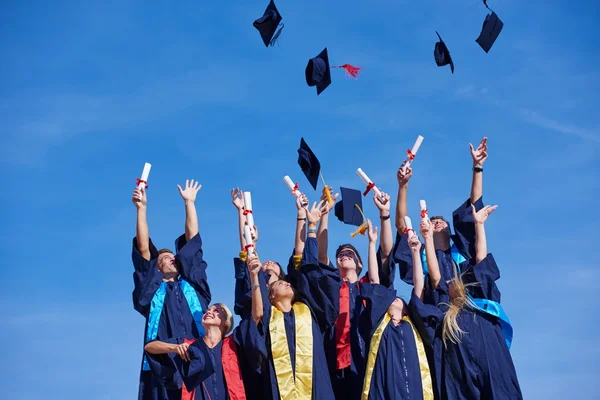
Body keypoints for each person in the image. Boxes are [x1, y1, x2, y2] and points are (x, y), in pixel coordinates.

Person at [412, 205, 522, 400]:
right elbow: (436, 277)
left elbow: (480, 259)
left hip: (485, 339)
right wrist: (427, 238)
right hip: (455, 346)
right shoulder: (446, 316)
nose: (451, 282)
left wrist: (479, 225)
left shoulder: (480, 304)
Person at [250, 198, 341, 400]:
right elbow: (255, 305)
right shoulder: (267, 317)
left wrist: (311, 226)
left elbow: (309, 269)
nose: (287, 283)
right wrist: (251, 247)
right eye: (280, 283)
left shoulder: (309, 311)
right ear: (270, 295)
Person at [132, 180, 211, 400]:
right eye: (166, 258)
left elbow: (193, 243)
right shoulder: (151, 292)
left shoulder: (195, 286)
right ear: (156, 267)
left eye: (174, 257)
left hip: (199, 361)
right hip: (163, 366)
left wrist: (189, 203)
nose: (173, 258)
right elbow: (143, 248)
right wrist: (142, 209)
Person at [316, 186, 395, 400]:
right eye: (341, 254)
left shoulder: (366, 286)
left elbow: (386, 254)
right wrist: (324, 214)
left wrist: (384, 215)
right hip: (333, 357)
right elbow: (322, 255)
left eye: (349, 253)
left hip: (364, 354)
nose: (344, 255)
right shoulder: (332, 285)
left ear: (359, 264)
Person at [393, 137, 489, 288]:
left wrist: (478, 167)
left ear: (450, 230)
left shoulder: (462, 250)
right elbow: (401, 225)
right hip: (435, 308)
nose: (437, 223)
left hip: (468, 306)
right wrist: (403, 186)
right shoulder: (418, 253)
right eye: (433, 222)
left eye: (442, 222)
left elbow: (474, 207)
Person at [358, 220, 435, 400]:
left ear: (407, 308)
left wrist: (415, 252)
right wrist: (371, 243)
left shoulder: (414, 323)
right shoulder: (379, 321)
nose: (396, 298)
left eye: (400, 298)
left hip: (414, 387)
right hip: (385, 385)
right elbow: (375, 279)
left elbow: (419, 284)